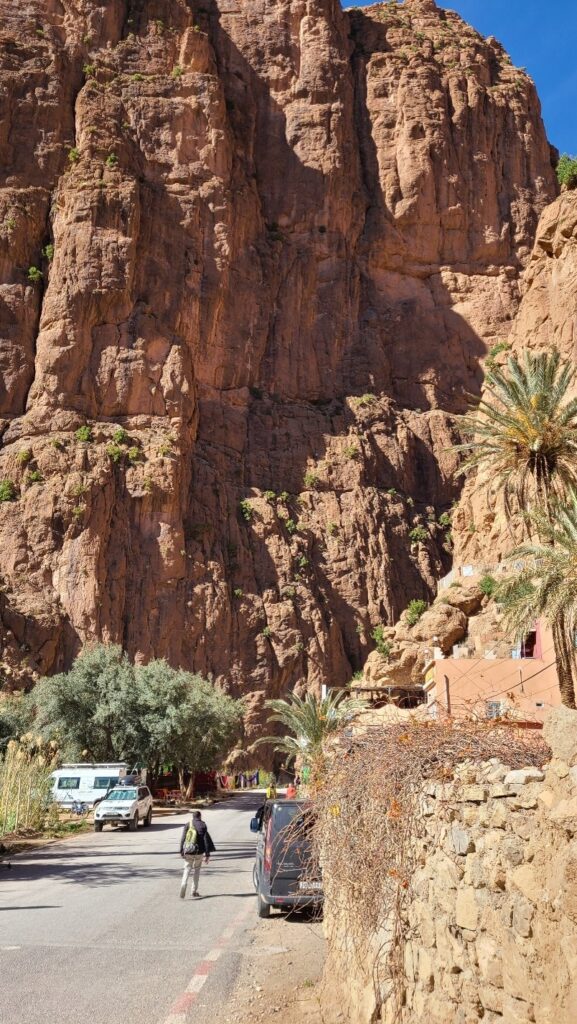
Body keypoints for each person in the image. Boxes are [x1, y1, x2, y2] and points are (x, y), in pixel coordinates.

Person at [179, 810, 215, 899]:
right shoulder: (203, 825)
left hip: (188, 851)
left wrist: (181, 851)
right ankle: (193, 891)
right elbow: (206, 840)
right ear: (200, 817)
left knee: (187, 869)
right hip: (199, 852)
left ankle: (183, 883)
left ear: (193, 817)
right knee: (197, 871)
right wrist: (207, 854)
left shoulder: (188, 824)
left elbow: (183, 838)